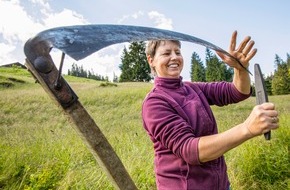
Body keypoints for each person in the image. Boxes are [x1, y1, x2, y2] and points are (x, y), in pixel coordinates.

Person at [141, 31, 279, 190]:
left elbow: (236, 92)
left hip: (219, 185)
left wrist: (240, 69)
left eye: (177, 52)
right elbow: (190, 149)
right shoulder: (154, 102)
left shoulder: (192, 89)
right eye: (166, 53)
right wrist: (246, 128)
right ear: (151, 60)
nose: (174, 57)